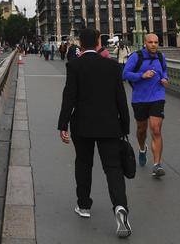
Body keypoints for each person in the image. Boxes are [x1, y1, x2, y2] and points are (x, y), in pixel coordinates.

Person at [58, 28, 131, 238]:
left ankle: (84, 205)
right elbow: (120, 99)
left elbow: (68, 97)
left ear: (80, 43)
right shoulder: (112, 66)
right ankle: (119, 206)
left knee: (83, 164)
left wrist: (63, 125)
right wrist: (124, 126)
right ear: (99, 42)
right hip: (110, 125)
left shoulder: (74, 65)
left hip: (82, 125)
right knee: (113, 168)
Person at [122, 33, 169, 178]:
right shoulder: (136, 57)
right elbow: (125, 74)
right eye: (150, 42)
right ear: (145, 43)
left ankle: (157, 164)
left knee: (155, 129)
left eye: (156, 42)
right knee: (142, 129)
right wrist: (141, 75)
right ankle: (142, 149)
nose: (154, 45)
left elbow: (165, 71)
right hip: (140, 98)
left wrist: (165, 79)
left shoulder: (161, 57)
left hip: (157, 96)